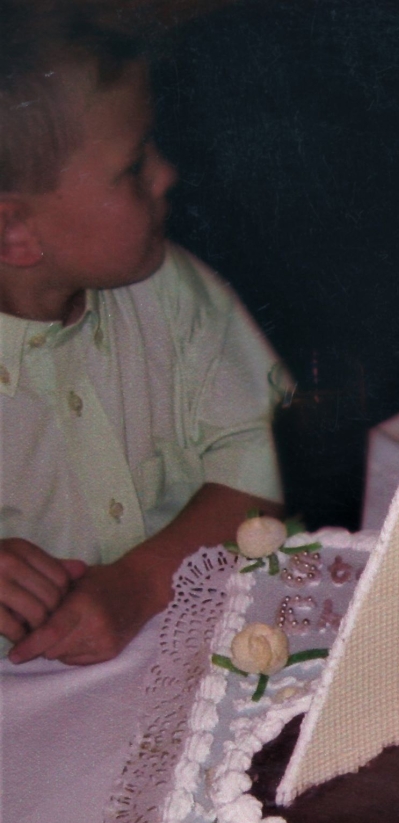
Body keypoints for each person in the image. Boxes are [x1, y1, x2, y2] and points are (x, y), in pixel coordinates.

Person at [0, 2, 287, 666]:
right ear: (15, 232)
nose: (166, 175)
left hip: (191, 641)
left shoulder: (172, 289)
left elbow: (258, 455)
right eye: (133, 168)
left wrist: (140, 580)